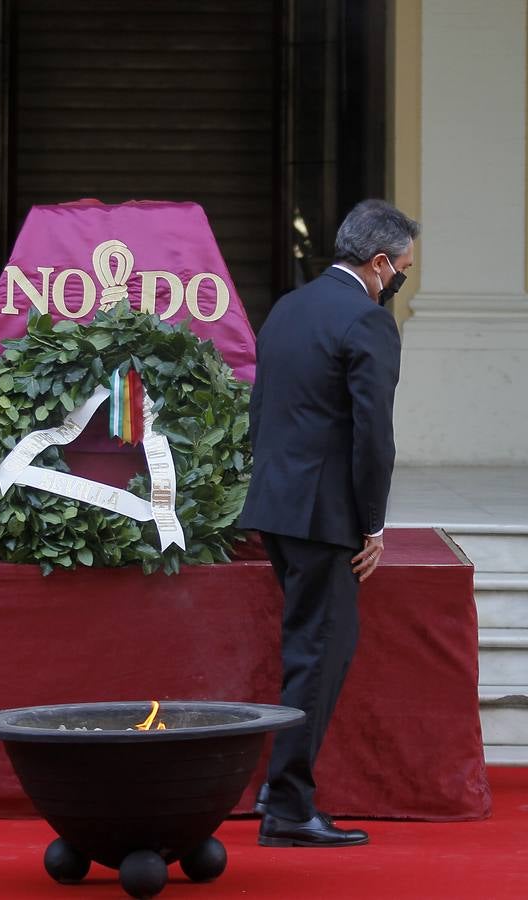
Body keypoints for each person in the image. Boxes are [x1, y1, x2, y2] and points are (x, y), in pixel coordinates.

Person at [239, 198, 420, 848]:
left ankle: (278, 793)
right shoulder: (368, 322)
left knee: (306, 650)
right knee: (320, 656)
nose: (400, 278)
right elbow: (373, 436)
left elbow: (261, 409)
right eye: (401, 268)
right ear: (378, 263)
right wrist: (372, 523)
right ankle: (286, 807)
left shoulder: (290, 307)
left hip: (278, 507)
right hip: (326, 517)